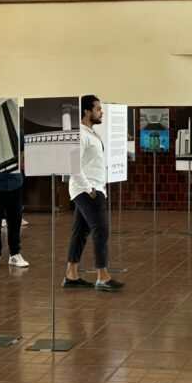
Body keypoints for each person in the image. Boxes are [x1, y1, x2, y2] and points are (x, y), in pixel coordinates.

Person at [64, 95, 124, 291]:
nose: (101, 112)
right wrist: (89, 189)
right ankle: (102, 276)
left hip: (93, 188)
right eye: (98, 109)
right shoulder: (80, 134)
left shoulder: (91, 133)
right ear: (87, 111)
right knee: (101, 230)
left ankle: (71, 275)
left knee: (80, 231)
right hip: (87, 190)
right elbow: (73, 166)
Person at [0, 144, 29, 269]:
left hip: (14, 180)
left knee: (15, 219)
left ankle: (15, 253)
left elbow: (23, 150)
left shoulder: (18, 132)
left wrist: (20, 160)